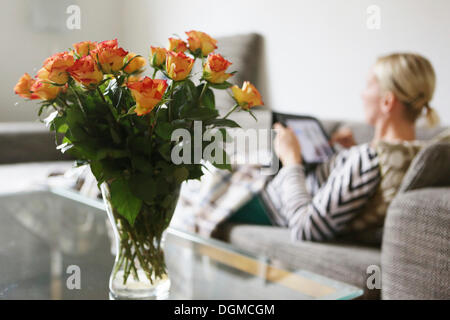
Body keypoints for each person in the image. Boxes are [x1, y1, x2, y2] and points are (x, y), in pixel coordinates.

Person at [263, 53, 441, 242]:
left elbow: (305, 229)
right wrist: (349, 154)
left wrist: (291, 160)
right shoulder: (408, 155)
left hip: (267, 204)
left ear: (387, 101)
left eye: (369, 86)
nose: (362, 94)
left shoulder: (368, 159)